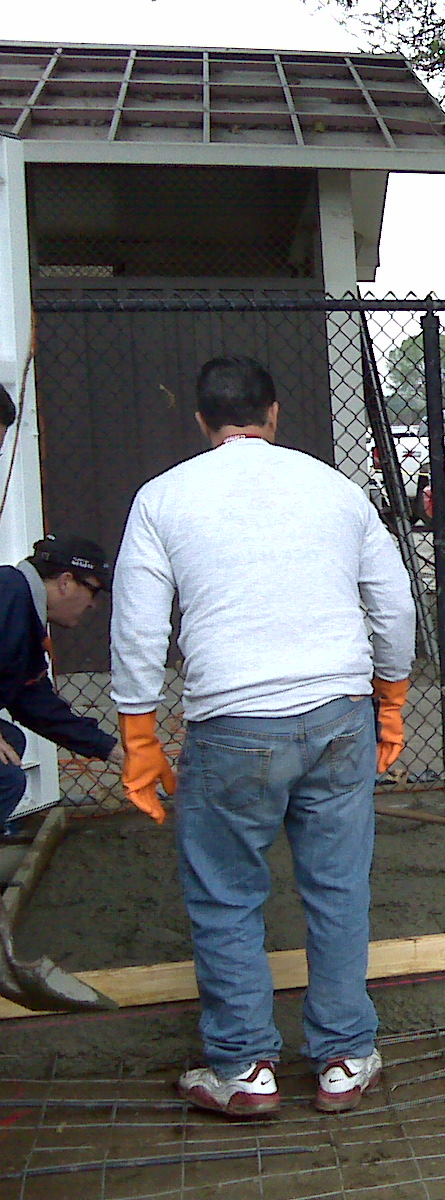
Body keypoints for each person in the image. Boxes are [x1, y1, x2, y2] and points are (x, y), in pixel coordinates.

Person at [111, 356, 416, 1119]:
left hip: (230, 725)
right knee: (338, 887)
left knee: (225, 895)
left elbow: (138, 626)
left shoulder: (163, 498)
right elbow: (393, 602)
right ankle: (345, 1057)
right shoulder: (335, 490)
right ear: (273, 415)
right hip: (339, 715)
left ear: (201, 421)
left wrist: (139, 733)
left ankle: (245, 1068)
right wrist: (391, 697)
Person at [0, 534, 122, 832]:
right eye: (93, 591)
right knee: (6, 779)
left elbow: (37, 705)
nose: (93, 605)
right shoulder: (7, 591)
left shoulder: (24, 614)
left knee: (11, 743)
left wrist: (114, 751)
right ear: (66, 582)